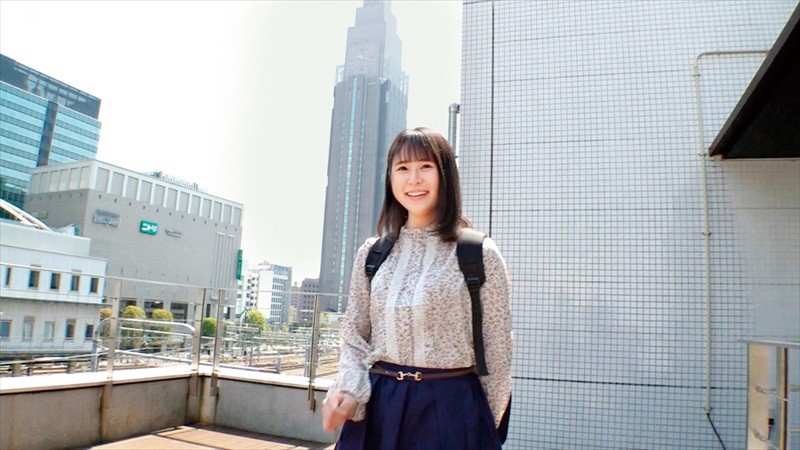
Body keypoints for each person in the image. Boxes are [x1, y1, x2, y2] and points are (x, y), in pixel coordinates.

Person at [322, 127, 512, 449]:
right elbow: (354, 335)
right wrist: (349, 390)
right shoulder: (372, 254)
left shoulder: (479, 253)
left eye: (425, 166)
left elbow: (498, 351)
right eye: (402, 168)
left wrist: (481, 429)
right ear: (390, 178)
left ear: (445, 175)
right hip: (379, 407)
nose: (413, 179)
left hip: (452, 410)